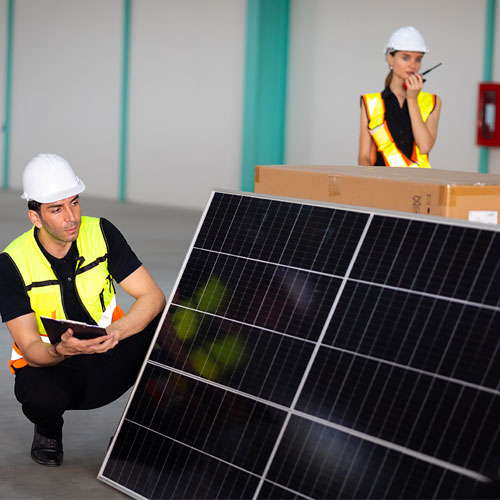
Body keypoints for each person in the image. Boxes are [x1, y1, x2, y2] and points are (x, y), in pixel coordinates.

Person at [0, 154, 166, 466]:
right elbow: (31, 347)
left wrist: (115, 332)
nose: (71, 216)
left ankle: (138, 431)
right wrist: (62, 350)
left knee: (165, 327)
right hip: (56, 367)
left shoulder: (101, 233)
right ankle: (48, 428)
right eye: (56, 209)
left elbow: (152, 297)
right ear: (35, 216)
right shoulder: (11, 264)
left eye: (74, 202)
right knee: (40, 400)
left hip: (109, 352)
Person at [358, 26, 442, 168]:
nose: (413, 65)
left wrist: (412, 99)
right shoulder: (371, 102)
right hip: (381, 185)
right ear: (391, 59)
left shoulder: (433, 102)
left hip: (418, 186)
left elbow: (425, 147)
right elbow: (363, 156)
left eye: (418, 59)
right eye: (405, 58)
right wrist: (372, 183)